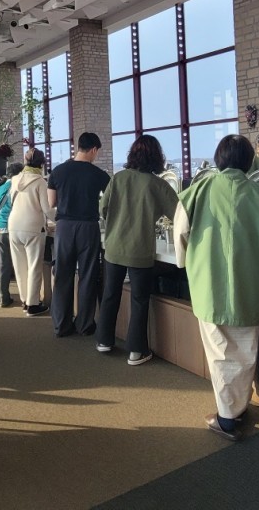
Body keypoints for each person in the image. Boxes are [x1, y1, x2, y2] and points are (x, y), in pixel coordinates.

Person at [174, 135, 259, 442]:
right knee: (245, 347)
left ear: (219, 159)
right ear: (248, 161)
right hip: (249, 281)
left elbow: (180, 231)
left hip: (209, 280)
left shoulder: (198, 190)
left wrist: (183, 260)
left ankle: (227, 418)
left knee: (219, 350)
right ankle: (236, 407)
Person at [97, 135, 181, 365]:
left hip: (114, 246)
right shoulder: (158, 185)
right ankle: (136, 351)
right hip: (140, 249)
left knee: (110, 294)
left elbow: (103, 209)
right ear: (157, 157)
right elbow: (180, 215)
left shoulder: (118, 178)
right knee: (139, 300)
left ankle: (104, 340)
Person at [47, 132, 111, 338]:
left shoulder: (58, 171)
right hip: (88, 227)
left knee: (62, 275)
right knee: (87, 276)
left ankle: (61, 325)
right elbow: (109, 202)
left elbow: (51, 202)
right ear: (93, 149)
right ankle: (84, 324)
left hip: (64, 227)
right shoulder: (99, 175)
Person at [8, 149, 51, 316]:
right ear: (41, 164)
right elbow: (47, 209)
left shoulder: (15, 179)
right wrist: (60, 218)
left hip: (14, 225)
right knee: (34, 266)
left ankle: (25, 300)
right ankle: (33, 305)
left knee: (20, 267)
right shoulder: (40, 181)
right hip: (32, 227)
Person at [0, 162, 24, 308]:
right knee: (22, 264)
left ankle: (3, 297)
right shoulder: (20, 188)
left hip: (0, 229)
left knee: (3, 264)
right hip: (16, 229)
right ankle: (26, 298)